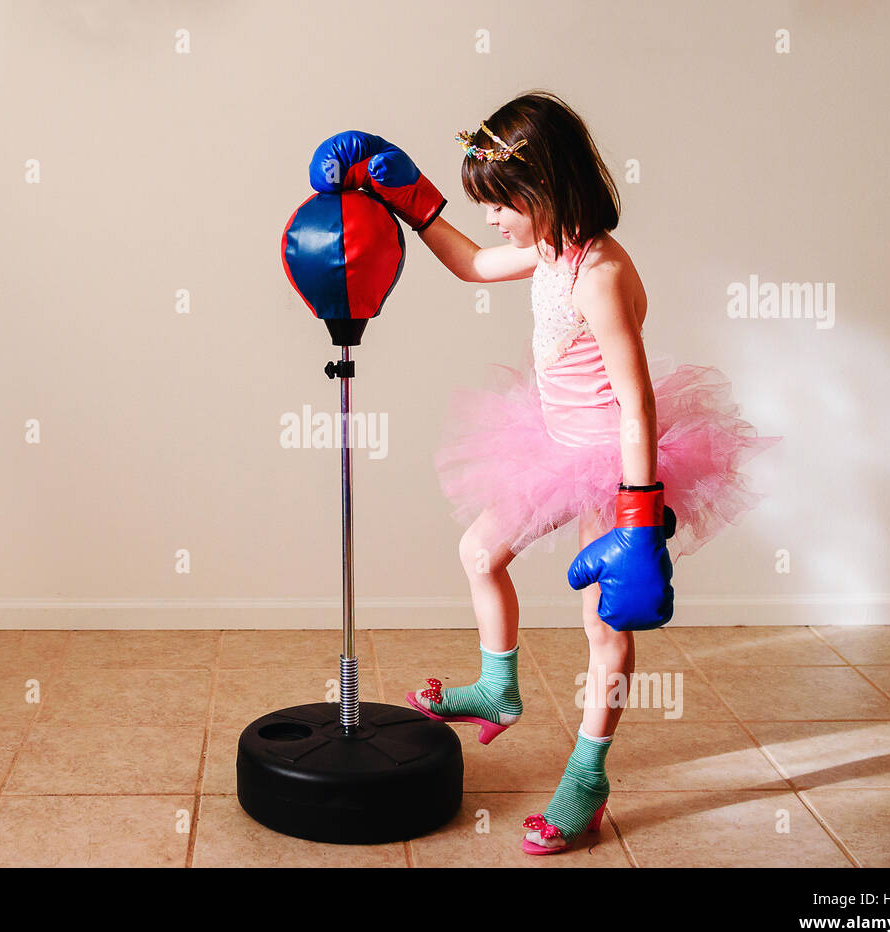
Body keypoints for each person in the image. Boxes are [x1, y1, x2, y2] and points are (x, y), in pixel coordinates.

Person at [308, 91, 781, 855]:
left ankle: (588, 778)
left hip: (614, 463)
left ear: (544, 190)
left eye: (500, 203)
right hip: (552, 443)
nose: (493, 219)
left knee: (605, 626)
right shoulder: (549, 251)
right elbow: (468, 263)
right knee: (478, 550)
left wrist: (637, 515)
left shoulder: (598, 270)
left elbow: (637, 401)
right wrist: (414, 200)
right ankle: (500, 688)